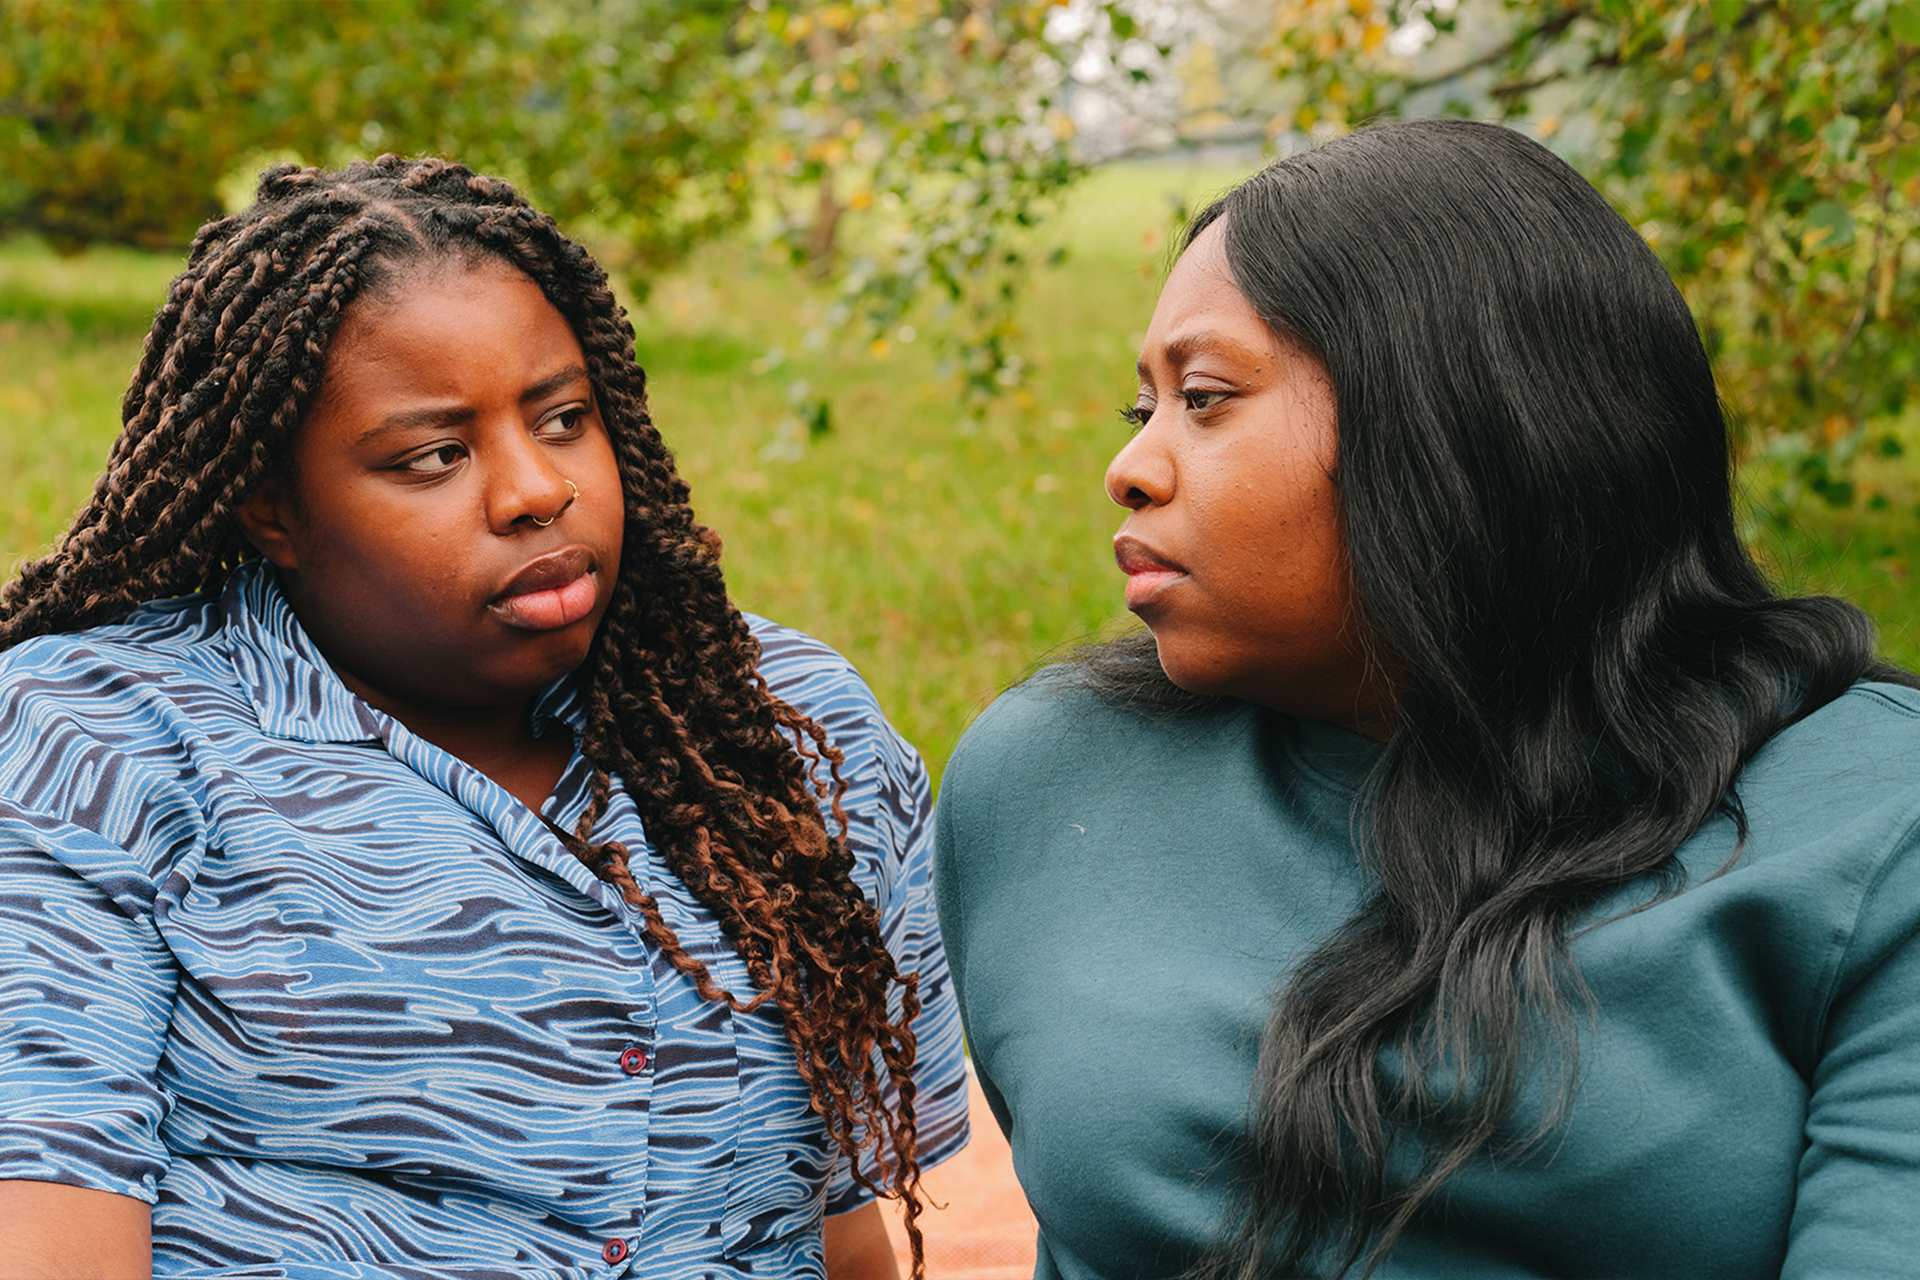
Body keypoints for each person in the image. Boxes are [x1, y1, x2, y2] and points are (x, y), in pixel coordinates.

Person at [934, 119, 1920, 1280]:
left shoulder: (1873, 826)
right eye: (1138, 409)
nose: (1135, 465)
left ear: (1454, 422)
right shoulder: (1049, 778)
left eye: (1203, 397)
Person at [0, 155, 967, 1280]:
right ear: (272, 507)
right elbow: (52, 1234)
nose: (532, 490)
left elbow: (847, 1229)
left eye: (563, 418)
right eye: (433, 456)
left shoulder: (789, 733)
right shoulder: (99, 740)